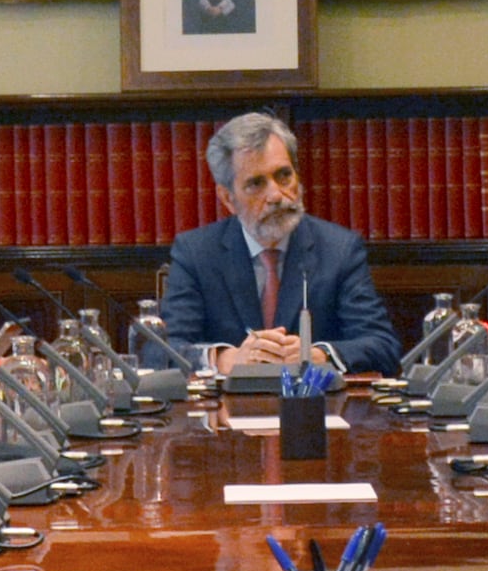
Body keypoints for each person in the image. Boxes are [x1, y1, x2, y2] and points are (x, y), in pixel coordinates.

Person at [158, 107, 397, 375]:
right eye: (256, 184)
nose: (276, 194)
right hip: (225, 413)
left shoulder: (339, 250)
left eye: (284, 175)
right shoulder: (196, 253)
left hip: (315, 409)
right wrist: (226, 359)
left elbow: (382, 346)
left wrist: (318, 355)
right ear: (228, 199)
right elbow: (162, 351)